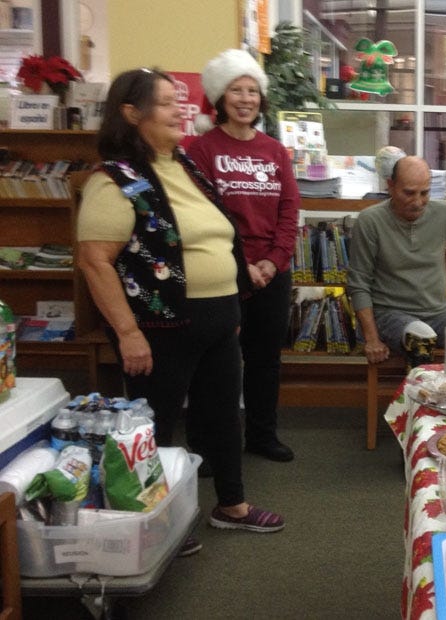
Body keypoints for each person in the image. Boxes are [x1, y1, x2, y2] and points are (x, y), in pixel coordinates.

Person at [76, 68, 285, 539]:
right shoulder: (115, 179)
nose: (181, 111)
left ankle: (231, 505)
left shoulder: (186, 165)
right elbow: (94, 261)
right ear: (132, 114)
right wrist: (128, 333)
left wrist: (229, 310)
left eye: (182, 101)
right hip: (158, 325)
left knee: (223, 417)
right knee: (155, 427)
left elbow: (217, 239)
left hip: (216, 318)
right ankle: (153, 524)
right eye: (168, 103)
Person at [188, 49, 299, 463]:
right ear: (220, 98)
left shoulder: (275, 151)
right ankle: (206, 444)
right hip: (221, 271)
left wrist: (272, 261)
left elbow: (289, 210)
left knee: (264, 361)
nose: (246, 98)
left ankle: (261, 436)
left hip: (271, 273)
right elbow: (204, 213)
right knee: (214, 363)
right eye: (236, 90)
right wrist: (242, 266)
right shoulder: (202, 149)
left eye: (252, 90)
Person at [346, 155, 446, 367]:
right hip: (389, 314)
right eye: (409, 193)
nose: (417, 202)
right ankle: (421, 397)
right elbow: (358, 283)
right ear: (390, 186)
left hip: (438, 312)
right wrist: (371, 339)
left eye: (424, 193)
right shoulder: (370, 221)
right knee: (421, 338)